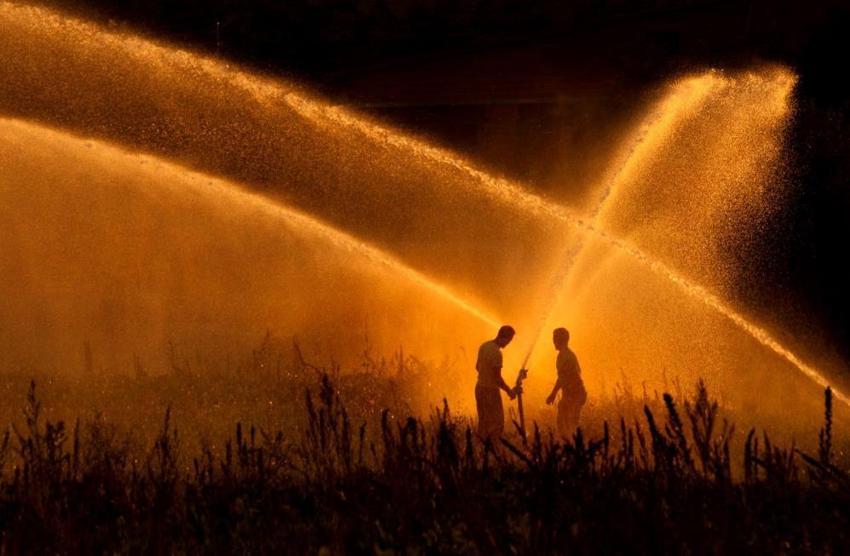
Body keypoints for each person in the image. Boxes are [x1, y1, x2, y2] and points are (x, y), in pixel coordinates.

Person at [475, 325, 517, 441]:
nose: (508, 344)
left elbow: (477, 367)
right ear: (505, 338)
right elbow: (497, 378)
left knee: (483, 422)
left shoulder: (484, 346)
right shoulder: (497, 353)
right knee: (497, 424)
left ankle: (480, 449)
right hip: (490, 391)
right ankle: (494, 449)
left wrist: (485, 376)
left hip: (479, 388)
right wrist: (509, 391)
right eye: (509, 340)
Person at [546, 327, 587, 438]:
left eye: (555, 339)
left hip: (575, 394)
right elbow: (562, 377)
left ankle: (572, 447)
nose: (553, 342)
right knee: (566, 423)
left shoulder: (565, 356)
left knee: (567, 425)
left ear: (560, 340)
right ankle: (571, 445)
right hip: (572, 394)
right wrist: (554, 394)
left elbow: (562, 378)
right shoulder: (565, 355)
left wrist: (553, 394)